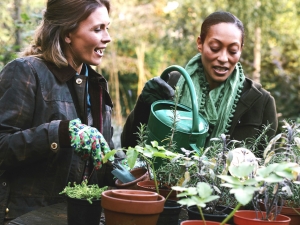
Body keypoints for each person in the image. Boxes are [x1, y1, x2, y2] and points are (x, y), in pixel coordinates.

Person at [0, 0, 122, 224]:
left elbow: (103, 156)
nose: (107, 37)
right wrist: (59, 133)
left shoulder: (97, 86)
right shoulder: (26, 72)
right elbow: (3, 147)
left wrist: (127, 171)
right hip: (28, 217)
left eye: (107, 27)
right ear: (68, 33)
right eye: (97, 29)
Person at [121, 11, 278, 153]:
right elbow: (129, 147)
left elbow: (267, 166)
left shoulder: (261, 102)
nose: (223, 58)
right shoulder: (170, 84)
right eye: (215, 48)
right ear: (200, 44)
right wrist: (143, 106)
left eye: (232, 51)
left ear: (241, 50)